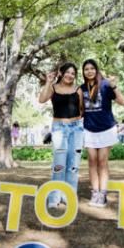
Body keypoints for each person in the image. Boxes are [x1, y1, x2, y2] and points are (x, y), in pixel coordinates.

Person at [38, 62, 85, 209]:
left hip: (76, 129)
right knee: (59, 165)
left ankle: (69, 197)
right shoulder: (53, 88)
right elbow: (42, 99)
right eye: (68, 72)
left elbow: (82, 109)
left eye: (73, 73)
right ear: (61, 73)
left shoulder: (78, 90)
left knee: (73, 165)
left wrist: (76, 123)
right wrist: (48, 82)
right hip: (59, 129)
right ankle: (54, 198)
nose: (70, 75)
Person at [81, 59, 124, 207]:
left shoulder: (105, 85)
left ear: (96, 70)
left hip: (106, 128)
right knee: (92, 161)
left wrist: (114, 85)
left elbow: (122, 101)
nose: (89, 71)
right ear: (83, 72)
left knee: (102, 161)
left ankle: (103, 194)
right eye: (86, 69)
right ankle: (95, 193)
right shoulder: (82, 88)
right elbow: (80, 110)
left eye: (92, 68)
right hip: (89, 129)